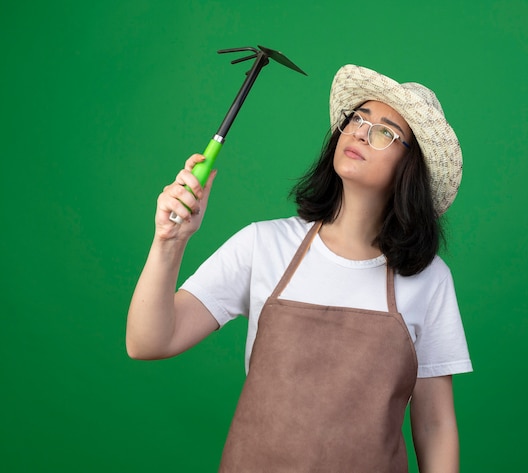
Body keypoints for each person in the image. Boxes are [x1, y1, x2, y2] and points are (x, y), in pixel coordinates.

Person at [127, 64, 472, 473]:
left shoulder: (429, 279)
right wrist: (169, 241)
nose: (360, 131)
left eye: (384, 132)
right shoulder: (264, 244)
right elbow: (148, 342)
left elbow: (434, 425)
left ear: (409, 167)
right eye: (357, 118)